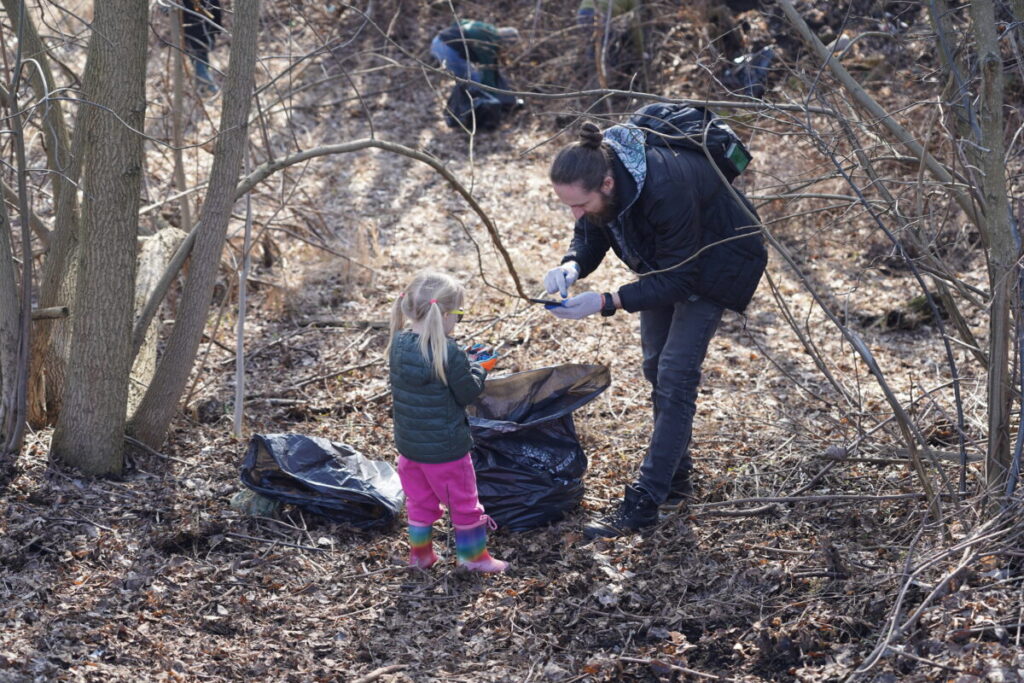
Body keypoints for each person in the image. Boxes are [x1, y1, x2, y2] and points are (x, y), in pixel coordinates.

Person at [542, 119, 765, 539]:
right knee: (654, 367)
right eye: (567, 205)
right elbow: (591, 232)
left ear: (607, 183)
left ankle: (647, 498)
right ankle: (676, 480)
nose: (574, 212)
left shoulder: (667, 185)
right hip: (665, 264)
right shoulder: (599, 177)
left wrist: (606, 301)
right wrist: (571, 265)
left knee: (675, 376)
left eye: (579, 203)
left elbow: (682, 280)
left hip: (719, 263)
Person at [386, 271, 508, 573]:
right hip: (447, 452)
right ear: (443, 313)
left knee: (420, 501)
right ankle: (474, 558)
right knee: (464, 504)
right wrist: (480, 369)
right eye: (459, 314)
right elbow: (467, 392)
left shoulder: (398, 344)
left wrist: (461, 362)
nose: (459, 321)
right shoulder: (448, 352)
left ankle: (421, 555)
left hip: (410, 450)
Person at [431, 20, 519, 90]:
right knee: (473, 80)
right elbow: (488, 71)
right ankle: (473, 106)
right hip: (447, 49)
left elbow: (458, 22)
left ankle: (463, 101)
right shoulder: (490, 42)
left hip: (437, 40)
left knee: (463, 78)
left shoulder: (486, 27)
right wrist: (492, 94)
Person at [182, 0, 222, 93]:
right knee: (200, 61)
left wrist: (217, 27)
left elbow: (215, 8)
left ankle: (209, 88)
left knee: (200, 62)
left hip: (201, 31)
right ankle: (205, 89)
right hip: (191, 32)